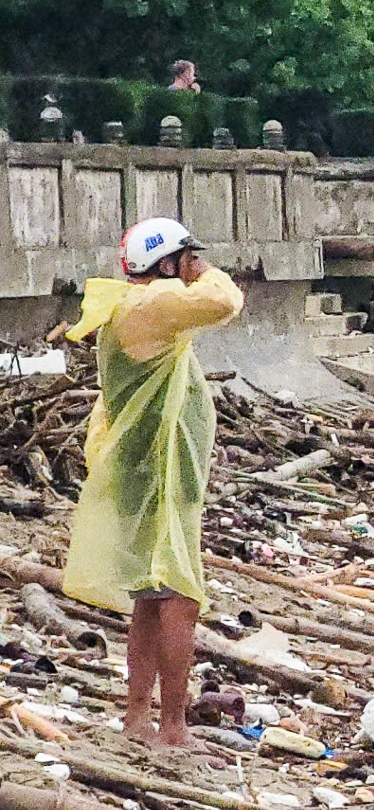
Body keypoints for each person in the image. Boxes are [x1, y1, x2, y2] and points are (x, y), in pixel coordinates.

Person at [63, 218, 244, 748]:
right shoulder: (148, 307)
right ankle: (172, 727)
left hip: (151, 474)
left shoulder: (133, 306)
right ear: (166, 264)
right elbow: (223, 300)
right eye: (185, 258)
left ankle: (138, 719)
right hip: (159, 476)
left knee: (150, 593)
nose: (193, 266)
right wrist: (200, 269)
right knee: (179, 597)